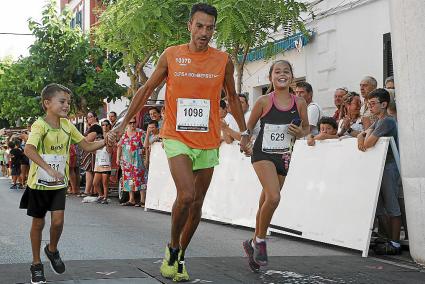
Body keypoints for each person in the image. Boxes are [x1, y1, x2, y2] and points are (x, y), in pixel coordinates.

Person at [107, 3, 248, 282]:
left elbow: (232, 97)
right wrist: (123, 124)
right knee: (186, 195)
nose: (204, 32)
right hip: (176, 136)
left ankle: (181, 254)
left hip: (207, 140)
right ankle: (172, 247)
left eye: (209, 27)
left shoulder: (223, 60)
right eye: (199, 26)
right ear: (189, 26)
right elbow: (146, 90)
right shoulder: (172, 56)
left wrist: (243, 133)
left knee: (197, 204)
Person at [19, 83, 106, 284]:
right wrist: (48, 168)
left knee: (58, 222)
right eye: (62, 101)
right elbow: (29, 150)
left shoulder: (67, 125)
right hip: (39, 184)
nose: (67, 105)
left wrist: (106, 142)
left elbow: (86, 145)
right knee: (38, 223)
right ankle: (36, 264)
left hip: (58, 184)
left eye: (68, 101)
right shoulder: (39, 125)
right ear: (47, 103)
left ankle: (52, 250)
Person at [243, 60, 309, 271]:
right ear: (270, 77)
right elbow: (249, 127)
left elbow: (307, 128)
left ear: (292, 76)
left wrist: (301, 133)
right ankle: (260, 241)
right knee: (273, 197)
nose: (282, 75)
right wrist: (245, 142)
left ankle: (252, 243)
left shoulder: (299, 103)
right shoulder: (263, 101)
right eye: (277, 71)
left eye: (286, 71)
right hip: (262, 154)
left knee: (266, 200)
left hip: (284, 157)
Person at [357, 88, 401, 255]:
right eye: (369, 104)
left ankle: (395, 243)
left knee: (392, 205)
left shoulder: (387, 121)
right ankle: (388, 239)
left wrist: (362, 137)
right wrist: (363, 136)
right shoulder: (379, 120)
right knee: (381, 206)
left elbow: (367, 143)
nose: (371, 107)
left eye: (373, 104)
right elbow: (364, 135)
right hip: (381, 166)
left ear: (384, 104)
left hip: (389, 167)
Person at [116, 117, 147, 206]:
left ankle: (142, 200)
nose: (132, 124)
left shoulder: (140, 133)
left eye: (134, 122)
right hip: (127, 161)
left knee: (140, 179)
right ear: (127, 124)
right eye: (130, 123)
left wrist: (146, 158)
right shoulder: (124, 134)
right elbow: (120, 146)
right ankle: (131, 199)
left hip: (138, 160)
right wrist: (118, 158)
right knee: (129, 179)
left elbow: (146, 146)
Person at [79, 111, 103, 197]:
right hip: (90, 151)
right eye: (87, 117)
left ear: (95, 117)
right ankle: (92, 190)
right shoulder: (91, 127)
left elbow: (88, 139)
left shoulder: (95, 127)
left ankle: (87, 191)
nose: (88, 119)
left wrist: (82, 138)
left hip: (92, 151)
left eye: (90, 117)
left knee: (89, 171)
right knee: (90, 171)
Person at [93, 120, 113, 204]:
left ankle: (105, 197)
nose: (104, 126)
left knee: (105, 182)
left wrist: (106, 142)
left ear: (109, 126)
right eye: (103, 125)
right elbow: (91, 150)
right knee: (95, 183)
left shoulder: (110, 137)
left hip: (106, 164)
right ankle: (101, 195)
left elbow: (110, 150)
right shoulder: (98, 141)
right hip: (98, 165)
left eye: (106, 125)